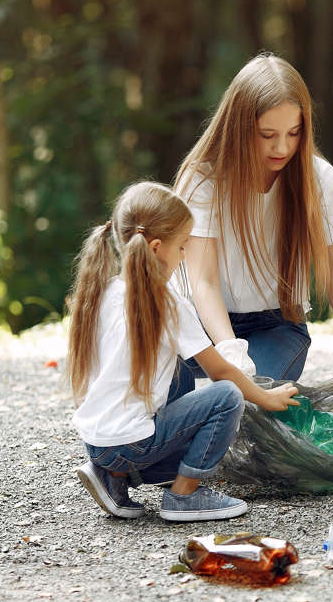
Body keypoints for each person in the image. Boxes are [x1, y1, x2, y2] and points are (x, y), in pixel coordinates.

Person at [65, 181, 300, 522]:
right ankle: (184, 495)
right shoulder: (168, 301)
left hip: (97, 442)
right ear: (158, 247)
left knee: (179, 375)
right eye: (182, 247)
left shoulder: (101, 291)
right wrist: (266, 398)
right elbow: (220, 373)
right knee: (227, 397)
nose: (184, 255)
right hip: (130, 445)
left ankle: (112, 477)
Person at [174, 53, 333, 383]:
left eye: (294, 133)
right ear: (238, 128)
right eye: (267, 135)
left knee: (252, 404)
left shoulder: (319, 180)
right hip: (199, 321)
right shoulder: (203, 180)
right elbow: (203, 281)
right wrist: (228, 349)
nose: (282, 147)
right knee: (171, 403)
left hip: (274, 324)